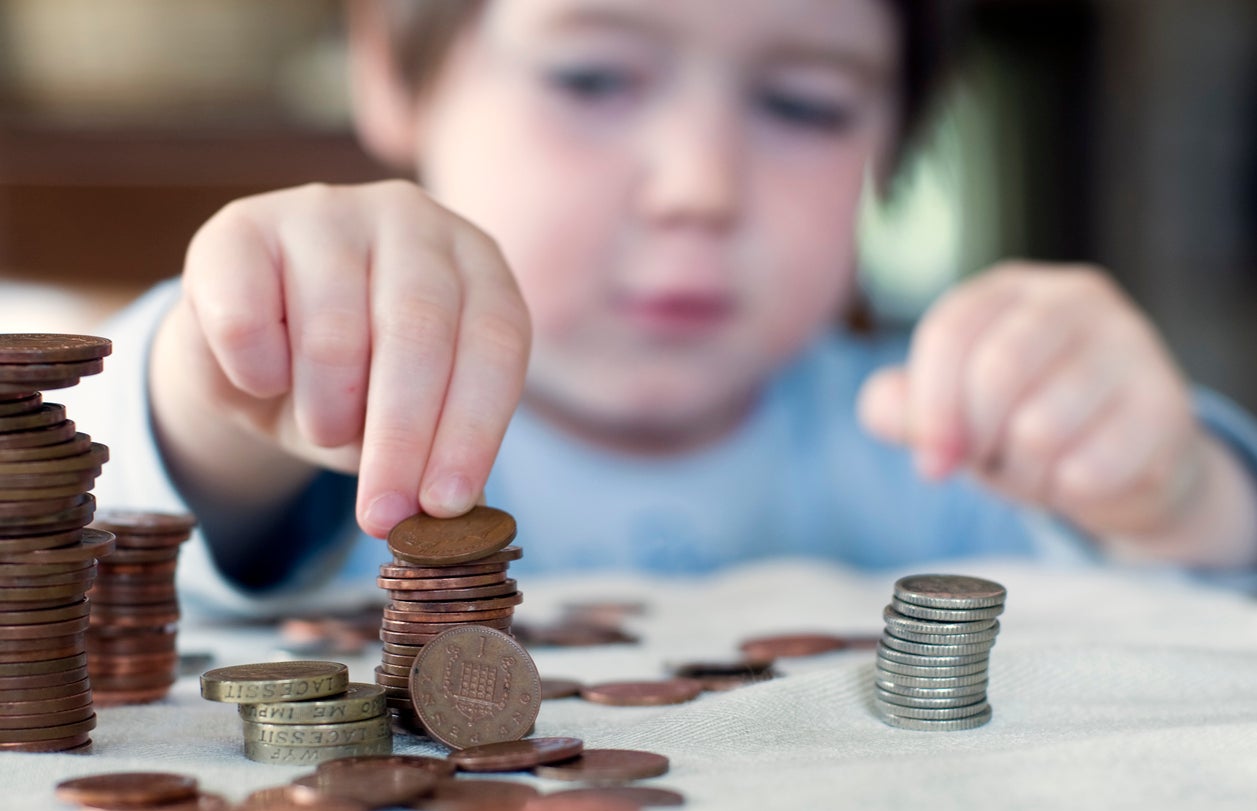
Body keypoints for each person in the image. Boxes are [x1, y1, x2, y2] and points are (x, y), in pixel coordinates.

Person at [69, 0, 1257, 614]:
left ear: (896, 145)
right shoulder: (328, 406)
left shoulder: (950, 450)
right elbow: (106, 514)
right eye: (593, 77)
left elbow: (1206, 607)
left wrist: (1176, 493)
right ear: (392, 69)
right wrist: (231, 385)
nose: (702, 184)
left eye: (802, 104)